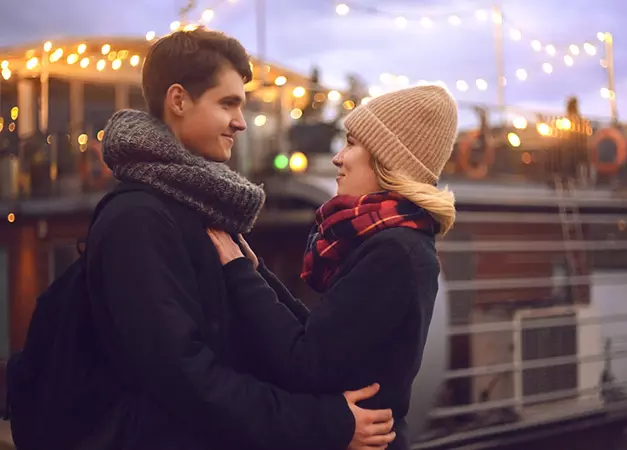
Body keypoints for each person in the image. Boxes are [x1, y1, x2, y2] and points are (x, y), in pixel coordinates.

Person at [85, 27, 395, 450]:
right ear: (178, 100)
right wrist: (323, 424)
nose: (241, 122)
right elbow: (187, 382)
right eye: (227, 103)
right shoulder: (139, 220)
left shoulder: (197, 205)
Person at [207, 85, 458, 449]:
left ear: (387, 161)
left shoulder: (392, 253)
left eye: (353, 144)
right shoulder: (399, 243)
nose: (339, 158)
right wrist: (257, 272)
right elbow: (318, 336)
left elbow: (305, 362)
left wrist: (239, 274)